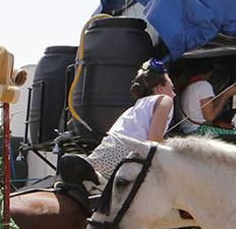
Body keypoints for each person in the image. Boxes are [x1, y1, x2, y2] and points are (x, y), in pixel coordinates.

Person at [58, 61, 176, 200]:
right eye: (172, 88)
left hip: (105, 150)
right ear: (160, 88)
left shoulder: (134, 108)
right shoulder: (165, 100)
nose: (174, 94)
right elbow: (154, 141)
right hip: (125, 154)